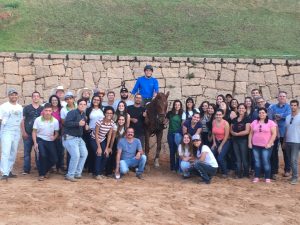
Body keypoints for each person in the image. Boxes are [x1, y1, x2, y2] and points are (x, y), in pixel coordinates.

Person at [63, 99, 88, 182]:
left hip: (78, 138)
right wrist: (78, 123)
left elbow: (82, 125)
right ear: (77, 105)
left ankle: (77, 173)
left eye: (84, 104)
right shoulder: (72, 112)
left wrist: (86, 128)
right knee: (76, 155)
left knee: (84, 154)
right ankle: (70, 175)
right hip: (69, 137)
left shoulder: (83, 114)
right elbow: (66, 123)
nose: (82, 106)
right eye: (81, 104)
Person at [249, 108, 277, 183]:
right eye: (260, 113)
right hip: (255, 145)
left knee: (265, 161)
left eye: (263, 112)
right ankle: (257, 176)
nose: (261, 114)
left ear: (266, 114)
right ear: (258, 114)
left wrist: (270, 143)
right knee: (257, 161)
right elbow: (251, 133)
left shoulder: (271, 122)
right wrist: (249, 143)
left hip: (266, 146)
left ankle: (267, 177)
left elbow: (274, 134)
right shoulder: (254, 122)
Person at [0, 88, 23, 181]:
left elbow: (21, 120)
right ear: (8, 96)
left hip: (16, 131)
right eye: (11, 95)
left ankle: (9, 171)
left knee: (13, 152)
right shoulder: (3, 106)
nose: (14, 96)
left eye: (15, 94)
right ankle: (4, 172)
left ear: (17, 96)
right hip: (7, 130)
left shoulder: (20, 107)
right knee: (6, 152)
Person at [32, 103, 59, 181]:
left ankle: (45, 170)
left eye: (49, 111)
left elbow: (56, 132)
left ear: (52, 111)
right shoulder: (38, 119)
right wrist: (35, 142)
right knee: (43, 156)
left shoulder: (55, 121)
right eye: (46, 110)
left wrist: (54, 137)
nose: (47, 112)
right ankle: (41, 174)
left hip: (50, 141)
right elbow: (34, 132)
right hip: (40, 139)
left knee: (55, 159)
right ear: (43, 111)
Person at [269, 91, 291, 178]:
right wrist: (281, 116)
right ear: (277, 98)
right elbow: (270, 116)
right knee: (274, 152)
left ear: (286, 98)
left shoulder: (289, 107)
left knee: (286, 152)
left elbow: (288, 115)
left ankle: (287, 170)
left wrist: (279, 116)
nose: (282, 97)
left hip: (285, 134)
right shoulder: (273, 106)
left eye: (283, 96)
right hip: (274, 133)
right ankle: (274, 170)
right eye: (280, 96)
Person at [21, 91, 43, 175]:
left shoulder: (42, 109)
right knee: (27, 152)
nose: (36, 97)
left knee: (38, 152)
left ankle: (39, 168)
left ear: (39, 98)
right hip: (28, 134)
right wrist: (24, 132)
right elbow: (23, 120)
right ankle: (26, 170)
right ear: (32, 98)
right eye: (34, 96)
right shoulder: (27, 108)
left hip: (38, 135)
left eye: (37, 96)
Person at [90, 106, 115, 179]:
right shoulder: (99, 121)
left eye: (111, 113)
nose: (109, 114)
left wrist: (107, 147)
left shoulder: (112, 123)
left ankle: (100, 173)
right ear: (104, 113)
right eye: (107, 113)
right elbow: (96, 134)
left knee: (106, 155)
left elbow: (109, 135)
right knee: (99, 153)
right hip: (94, 139)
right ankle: (96, 174)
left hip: (103, 139)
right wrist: (99, 147)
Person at [85, 95, 104, 173]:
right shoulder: (88, 110)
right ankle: (90, 169)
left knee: (99, 151)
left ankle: (97, 170)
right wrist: (86, 125)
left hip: (100, 133)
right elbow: (85, 119)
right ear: (92, 100)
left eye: (98, 100)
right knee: (92, 151)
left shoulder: (102, 109)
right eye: (94, 99)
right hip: (90, 132)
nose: (96, 101)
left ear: (100, 101)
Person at [230, 103, 251, 178]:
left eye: (242, 108)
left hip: (243, 140)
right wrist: (233, 133)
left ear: (245, 110)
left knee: (244, 157)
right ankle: (238, 173)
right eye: (239, 108)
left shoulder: (247, 119)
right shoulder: (234, 119)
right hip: (235, 141)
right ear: (237, 109)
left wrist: (237, 134)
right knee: (238, 158)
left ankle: (246, 173)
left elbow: (247, 131)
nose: (241, 109)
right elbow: (231, 129)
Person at [284, 100, 300, 185]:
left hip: (297, 141)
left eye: (295, 105)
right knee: (290, 160)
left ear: (298, 106)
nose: (293, 107)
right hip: (288, 141)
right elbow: (286, 130)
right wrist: (284, 141)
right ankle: (294, 175)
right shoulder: (288, 117)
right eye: (292, 105)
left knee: (293, 160)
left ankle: (295, 177)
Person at [166, 100, 185, 172]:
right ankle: (172, 167)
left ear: (180, 106)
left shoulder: (182, 114)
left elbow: (182, 125)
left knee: (178, 151)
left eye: (178, 105)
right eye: (176, 105)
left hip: (178, 135)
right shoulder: (170, 113)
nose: (177, 106)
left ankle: (177, 167)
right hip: (170, 134)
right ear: (174, 105)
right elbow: (165, 122)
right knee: (172, 151)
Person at [211, 109, 230, 177]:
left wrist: (221, 146)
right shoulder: (213, 122)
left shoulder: (226, 123)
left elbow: (226, 135)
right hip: (216, 141)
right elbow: (213, 133)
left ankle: (225, 172)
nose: (218, 116)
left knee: (220, 157)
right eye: (217, 115)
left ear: (223, 115)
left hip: (225, 141)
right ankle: (214, 170)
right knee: (212, 154)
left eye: (220, 115)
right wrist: (214, 143)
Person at [48, 95, 64, 174]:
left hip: (59, 132)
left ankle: (59, 167)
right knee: (50, 150)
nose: (54, 102)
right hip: (49, 132)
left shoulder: (61, 110)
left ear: (58, 101)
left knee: (60, 150)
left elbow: (63, 121)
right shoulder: (48, 110)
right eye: (53, 100)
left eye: (56, 100)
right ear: (50, 101)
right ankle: (51, 167)